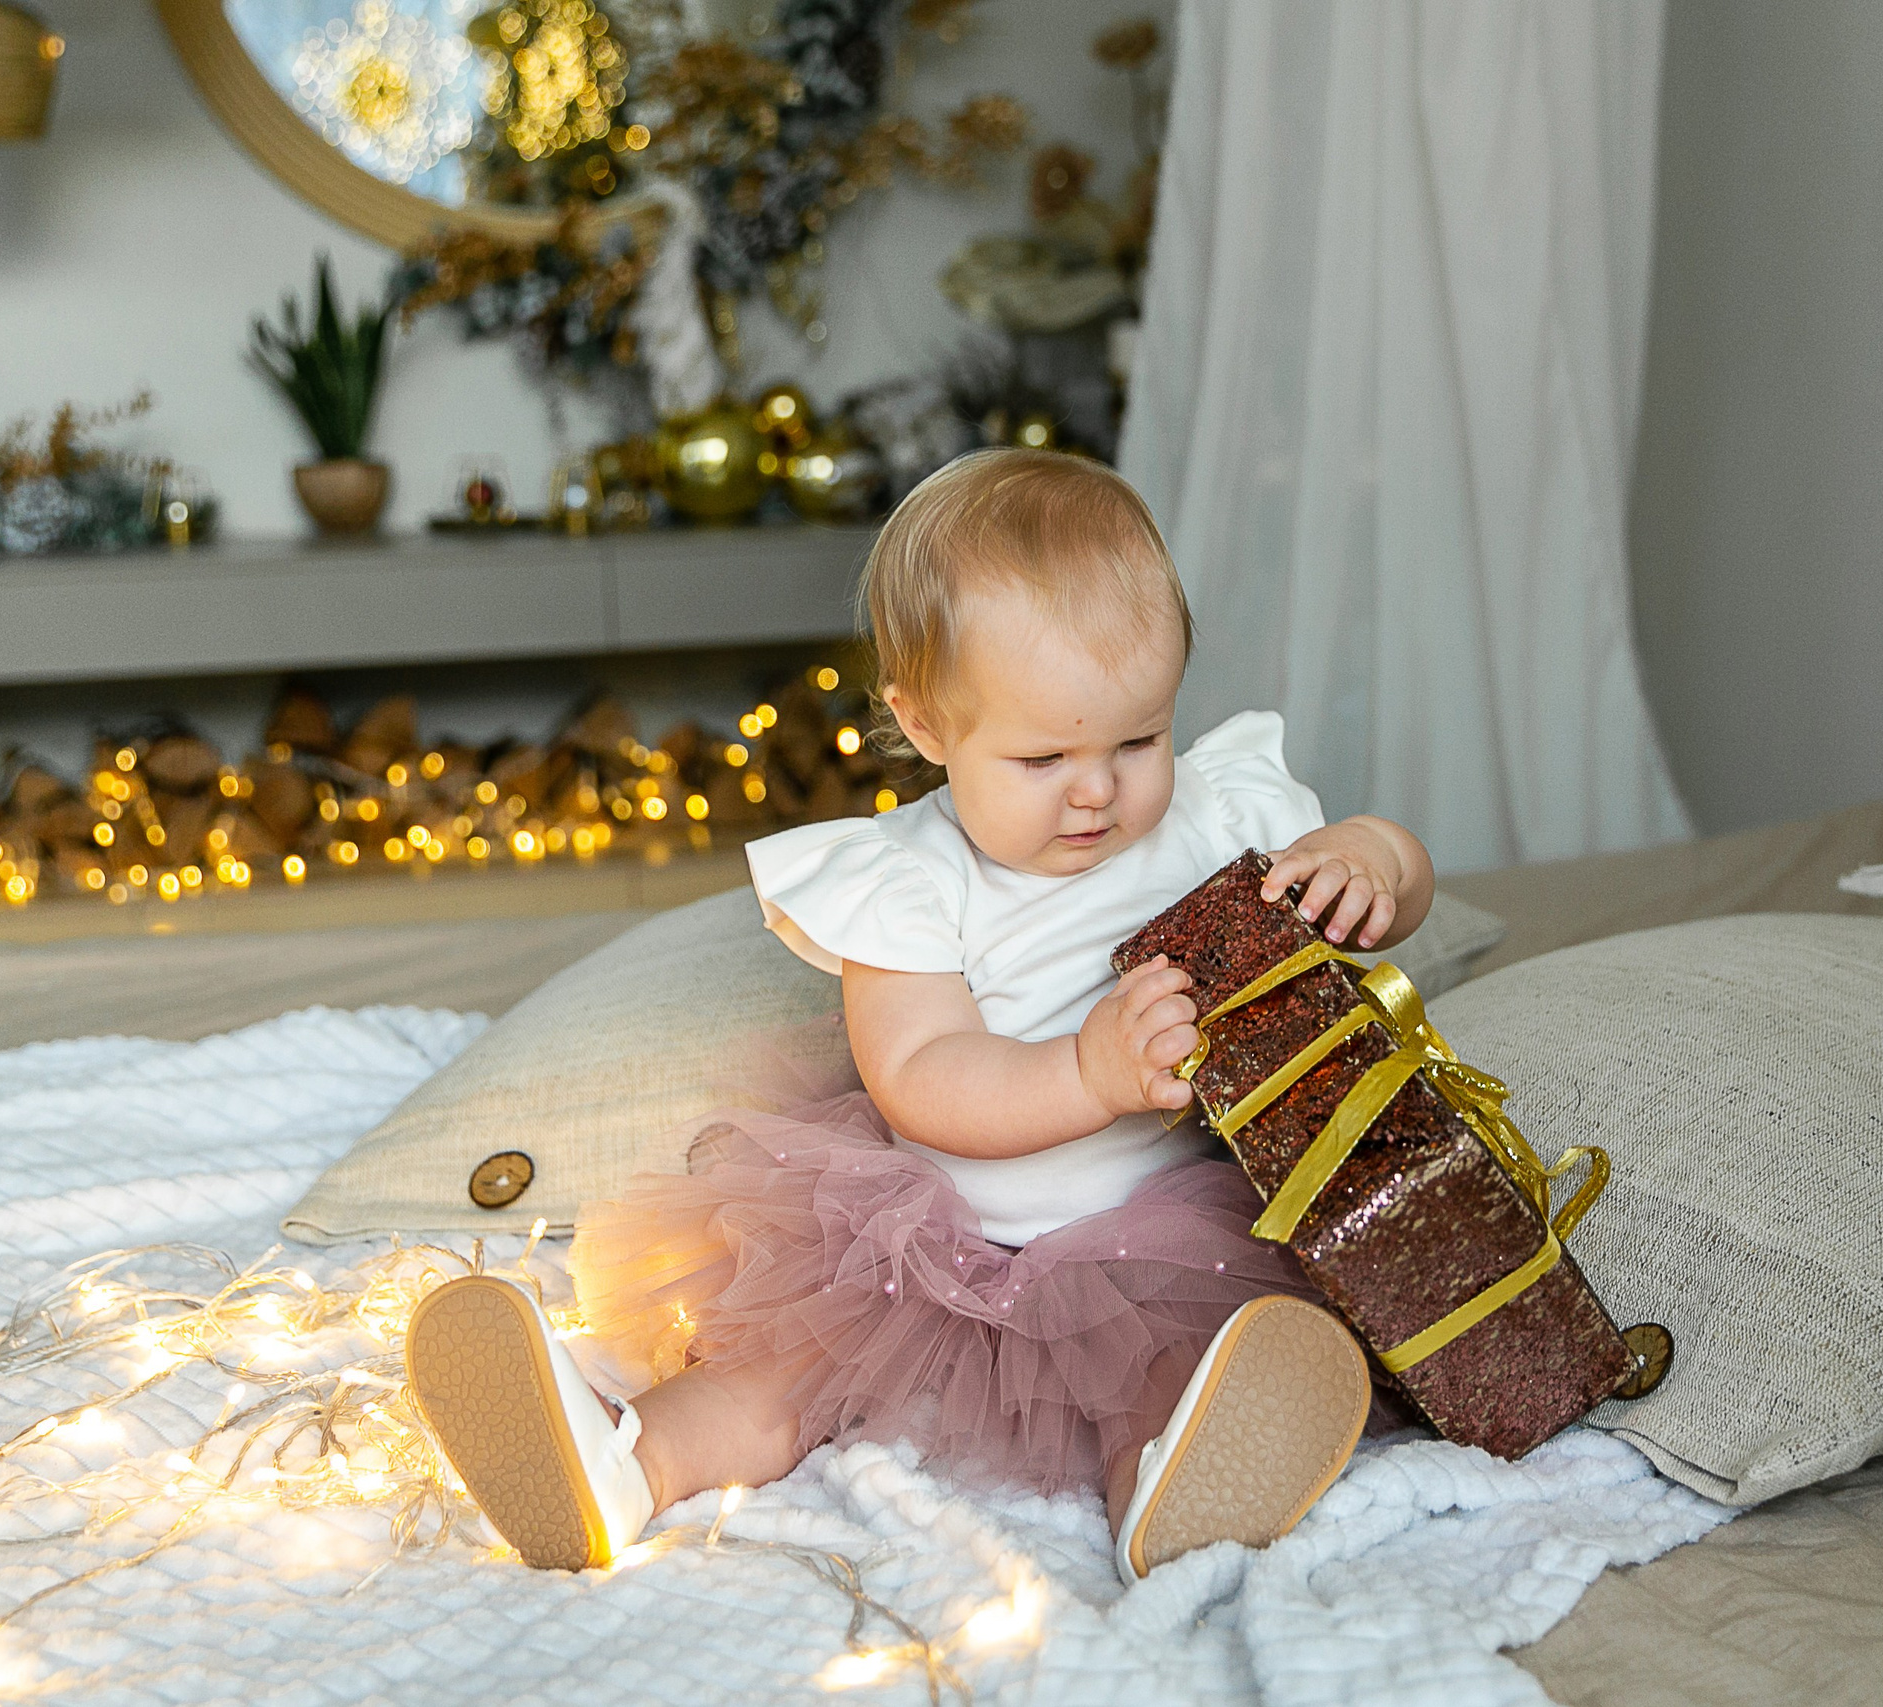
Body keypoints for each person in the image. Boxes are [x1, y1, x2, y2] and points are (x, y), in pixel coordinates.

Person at [405, 448, 1435, 1581]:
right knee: (785, 1365)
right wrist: (1086, 1075)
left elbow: (1389, 867)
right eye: (1041, 756)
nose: (1097, 789)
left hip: (1163, 1227)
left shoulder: (1216, 812)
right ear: (928, 724)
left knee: (1178, 1358)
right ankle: (624, 1461)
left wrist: (1369, 861)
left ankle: (1171, 1488)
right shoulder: (908, 878)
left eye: (1136, 739)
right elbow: (921, 1074)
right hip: (931, 1235)